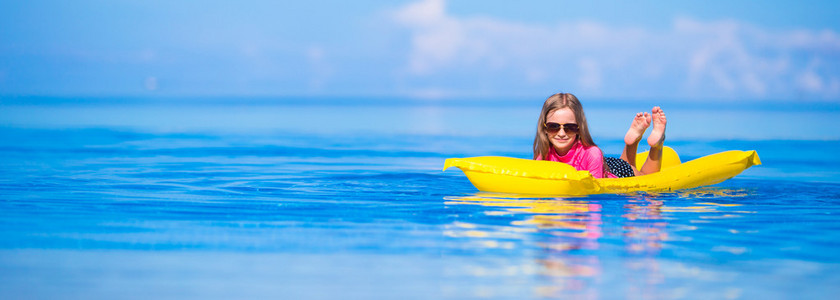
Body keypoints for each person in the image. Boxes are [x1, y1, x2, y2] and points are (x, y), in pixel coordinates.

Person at [533, 93, 667, 178]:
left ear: (579, 129)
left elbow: (595, 195)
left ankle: (657, 144)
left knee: (646, 177)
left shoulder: (592, 153)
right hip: (601, 164)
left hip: (616, 171)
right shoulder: (543, 155)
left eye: (569, 128)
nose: (561, 133)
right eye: (553, 127)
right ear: (544, 128)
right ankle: (632, 142)